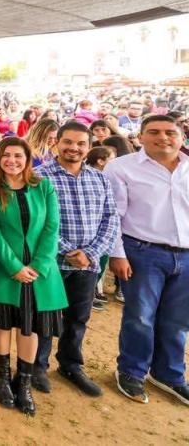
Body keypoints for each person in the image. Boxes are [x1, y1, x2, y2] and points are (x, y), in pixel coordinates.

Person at [0, 137, 66, 416]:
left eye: (18, 155)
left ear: (28, 159)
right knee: (2, 324)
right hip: (3, 270)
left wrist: (39, 265)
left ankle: (24, 382)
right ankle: (2, 377)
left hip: (39, 273)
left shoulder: (44, 186)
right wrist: (13, 266)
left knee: (30, 327)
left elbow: (52, 227)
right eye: (6, 155)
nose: (11, 160)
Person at [31, 122, 120, 397]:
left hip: (88, 264)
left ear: (89, 147)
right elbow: (36, 221)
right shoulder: (39, 177)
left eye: (81, 143)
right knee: (44, 316)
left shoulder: (99, 178)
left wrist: (90, 253)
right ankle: (37, 366)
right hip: (51, 262)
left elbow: (111, 218)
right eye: (68, 142)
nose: (74, 148)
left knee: (78, 318)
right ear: (56, 143)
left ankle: (70, 365)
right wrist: (70, 251)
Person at [107, 115, 189, 405]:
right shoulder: (121, 167)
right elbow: (113, 215)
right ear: (140, 136)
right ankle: (132, 371)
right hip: (142, 252)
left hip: (186, 255)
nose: (162, 137)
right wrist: (117, 253)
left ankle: (169, 374)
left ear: (181, 137)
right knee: (140, 316)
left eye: (170, 132)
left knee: (178, 320)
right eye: (153, 132)